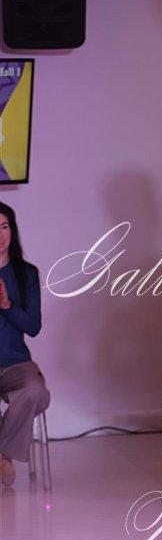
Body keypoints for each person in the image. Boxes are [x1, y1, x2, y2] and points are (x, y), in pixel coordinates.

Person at [0, 202, 50, 487]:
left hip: (16, 362)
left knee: (36, 391)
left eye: (4, 227)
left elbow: (33, 326)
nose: (0, 235)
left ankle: (3, 453)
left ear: (12, 230)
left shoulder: (26, 274)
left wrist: (7, 305)